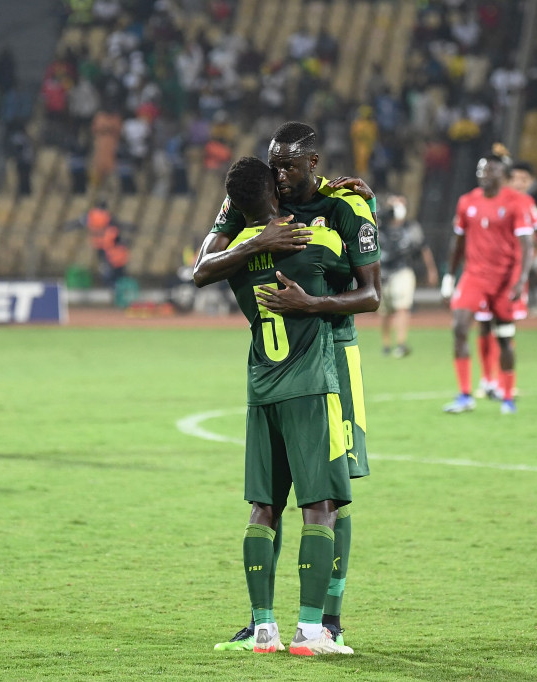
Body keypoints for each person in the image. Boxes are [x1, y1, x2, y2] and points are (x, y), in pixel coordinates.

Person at [207, 122, 382, 652]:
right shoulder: (259, 209)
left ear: (313, 163)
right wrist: (261, 241)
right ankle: (280, 624)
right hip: (303, 367)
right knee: (295, 496)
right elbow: (201, 265)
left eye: (289, 165)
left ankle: (328, 619)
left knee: (329, 495)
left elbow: (371, 293)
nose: (280, 174)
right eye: (274, 165)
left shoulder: (345, 205)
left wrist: (311, 301)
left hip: (332, 354)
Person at [441, 154, 534, 415]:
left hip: (503, 280)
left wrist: (520, 280)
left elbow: (527, 246)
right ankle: (465, 395)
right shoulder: (467, 201)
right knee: (460, 327)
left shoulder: (516, 202)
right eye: (481, 169)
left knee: (504, 337)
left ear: (502, 174)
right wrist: (449, 278)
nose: (484, 174)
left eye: (490, 170)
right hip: (474, 276)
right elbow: (457, 244)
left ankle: (507, 396)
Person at [474, 158, 537, 397]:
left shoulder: (525, 203)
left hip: (510, 274)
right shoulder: (487, 199)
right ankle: (487, 380)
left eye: (525, 179)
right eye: (516, 178)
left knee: (504, 328)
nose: (520, 183)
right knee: (484, 325)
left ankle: (504, 383)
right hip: (484, 273)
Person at [378, 195, 438, 358]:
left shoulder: (411, 227)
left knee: (402, 307)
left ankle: (401, 343)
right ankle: (386, 345)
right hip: (383, 272)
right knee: (385, 311)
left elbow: (424, 248)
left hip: (403, 269)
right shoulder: (380, 226)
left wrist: (431, 270)